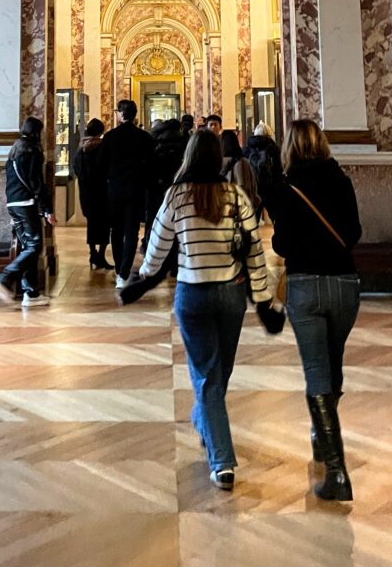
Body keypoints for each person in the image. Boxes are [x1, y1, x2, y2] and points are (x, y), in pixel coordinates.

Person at [133, 130, 273, 490]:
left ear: (189, 156)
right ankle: (222, 460)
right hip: (230, 294)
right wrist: (263, 296)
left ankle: (204, 419)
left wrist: (143, 277)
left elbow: (157, 245)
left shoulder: (177, 196)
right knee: (217, 371)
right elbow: (254, 250)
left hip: (193, 293)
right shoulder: (236, 196)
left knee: (213, 375)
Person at [265, 118, 362, 500]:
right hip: (344, 283)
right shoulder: (342, 181)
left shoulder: (285, 187)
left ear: (289, 147)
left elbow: (282, 244)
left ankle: (337, 472)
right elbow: (354, 233)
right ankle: (323, 439)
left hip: (305, 286)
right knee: (333, 365)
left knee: (317, 371)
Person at [0, 117, 56, 307]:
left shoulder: (15, 149)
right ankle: (4, 277)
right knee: (35, 246)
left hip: (13, 203)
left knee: (28, 247)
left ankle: (31, 293)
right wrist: (47, 209)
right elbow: (36, 182)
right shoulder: (32, 150)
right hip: (26, 203)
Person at [94, 98, 156, 286]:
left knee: (116, 231)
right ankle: (124, 272)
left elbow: (100, 165)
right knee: (131, 232)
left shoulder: (110, 137)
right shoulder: (144, 137)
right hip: (136, 191)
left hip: (115, 191)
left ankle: (119, 267)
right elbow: (151, 166)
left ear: (121, 114)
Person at [73, 117, 111, 268]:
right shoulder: (103, 147)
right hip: (102, 190)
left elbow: (76, 169)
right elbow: (106, 167)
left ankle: (93, 252)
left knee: (92, 223)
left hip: (86, 191)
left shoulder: (80, 148)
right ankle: (100, 255)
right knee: (105, 224)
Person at [220, 128, 258, 214]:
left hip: (224, 209)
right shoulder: (242, 162)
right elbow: (245, 187)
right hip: (242, 210)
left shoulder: (217, 163)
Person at [244, 120, 282, 203]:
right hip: (270, 190)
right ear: (269, 135)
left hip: (252, 189)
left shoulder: (248, 148)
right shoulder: (273, 148)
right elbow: (278, 169)